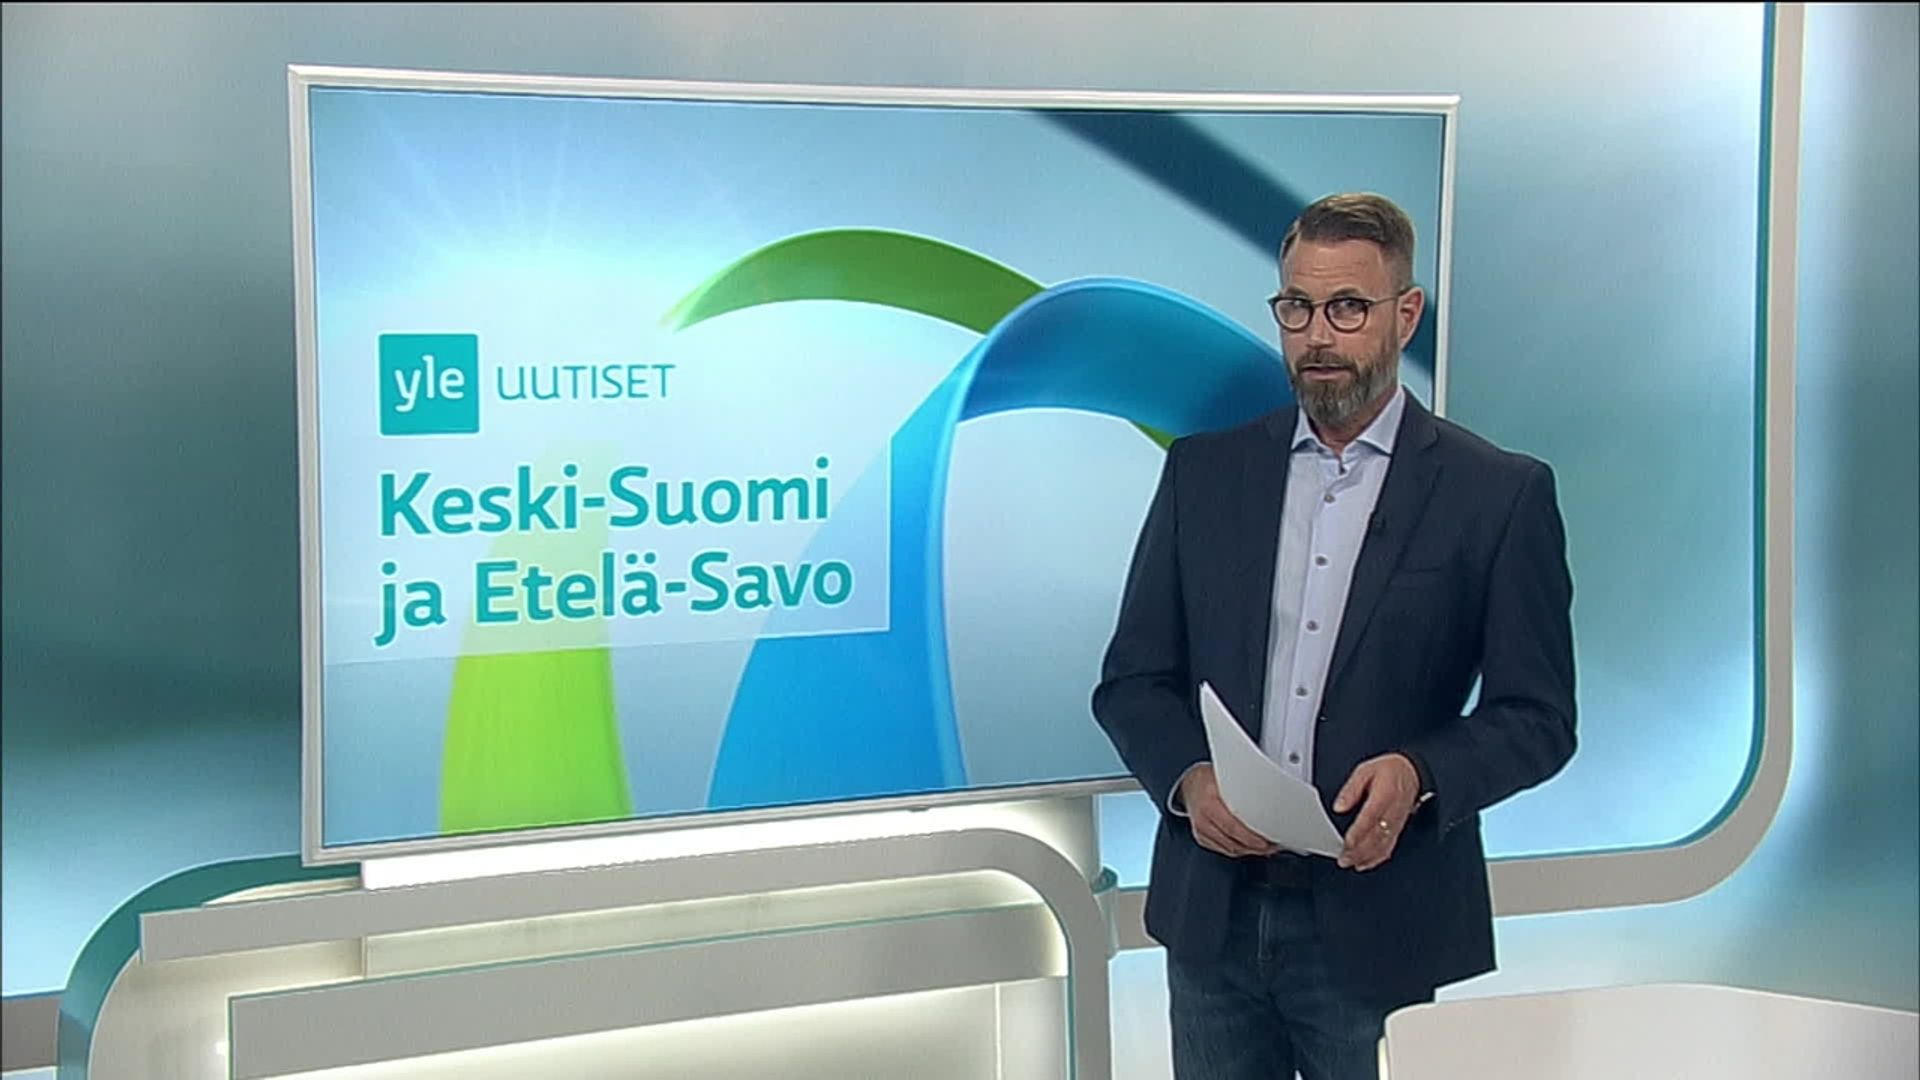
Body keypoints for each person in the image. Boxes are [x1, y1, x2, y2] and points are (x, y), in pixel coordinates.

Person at [1090, 192, 1577, 1080]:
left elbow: (1538, 717)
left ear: (1406, 314)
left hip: (1378, 925)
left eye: (1348, 308)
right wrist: (1189, 782)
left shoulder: (1496, 495)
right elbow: (1132, 681)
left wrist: (1421, 774)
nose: (1318, 336)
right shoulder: (1205, 474)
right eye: (1298, 308)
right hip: (1215, 921)